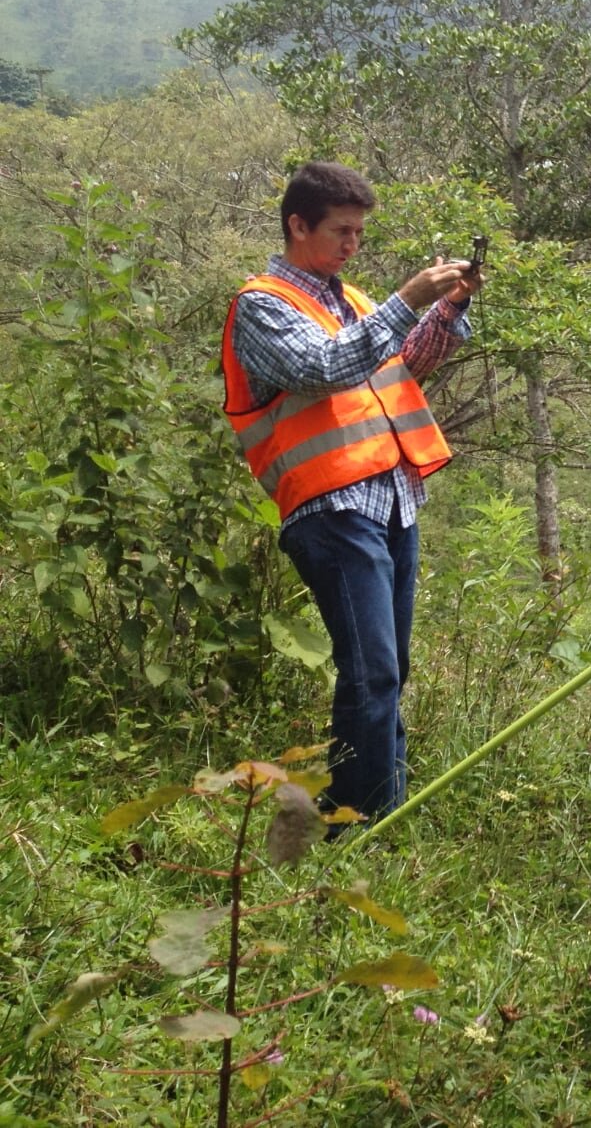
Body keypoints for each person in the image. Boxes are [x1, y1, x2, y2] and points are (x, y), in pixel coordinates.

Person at [219, 161, 483, 821]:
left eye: (359, 232)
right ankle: (359, 822)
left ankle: (374, 811)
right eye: (341, 230)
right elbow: (321, 368)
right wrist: (408, 300)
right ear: (297, 225)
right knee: (372, 671)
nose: (352, 244)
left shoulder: (357, 303)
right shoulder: (262, 305)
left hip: (391, 499)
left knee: (388, 670)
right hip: (331, 506)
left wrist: (449, 307)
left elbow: (407, 364)